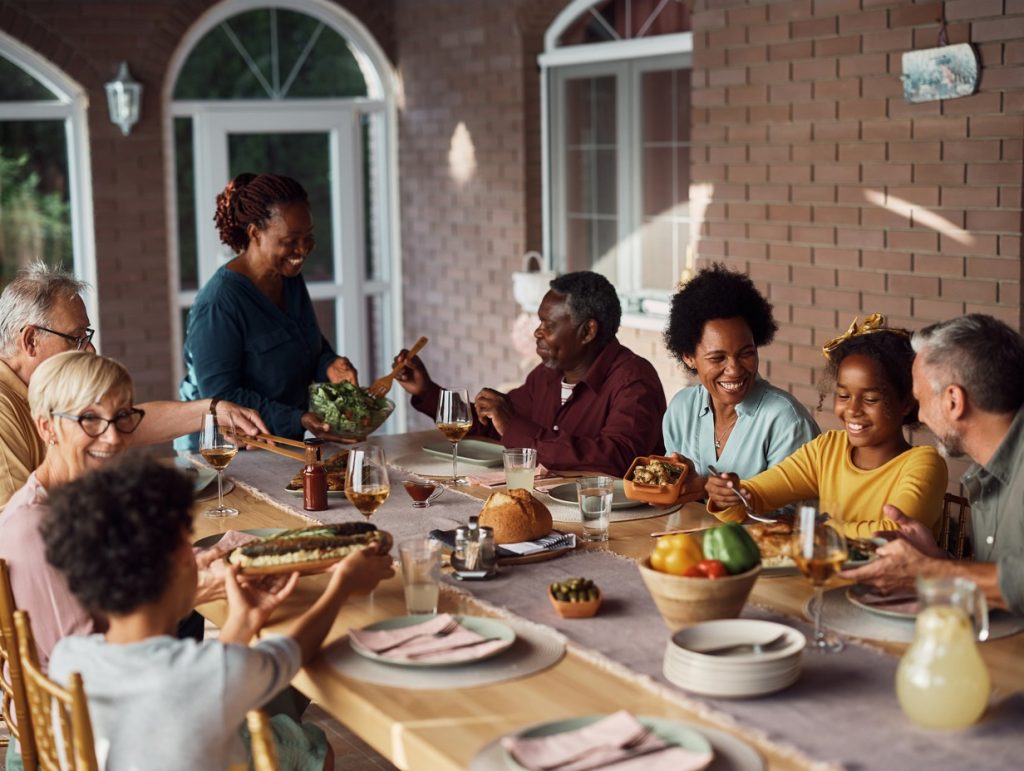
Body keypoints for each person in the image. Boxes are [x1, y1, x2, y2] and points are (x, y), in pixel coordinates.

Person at [44, 455, 393, 771]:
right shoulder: (214, 672)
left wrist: (242, 622)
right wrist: (342, 584)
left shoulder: (68, 657)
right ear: (181, 560)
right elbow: (292, 652)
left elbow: (194, 686)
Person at [0, 261, 266, 507]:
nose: (90, 350)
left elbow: (123, 425)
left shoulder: (36, 391)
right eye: (75, 338)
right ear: (31, 340)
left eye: (86, 336)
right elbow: (14, 527)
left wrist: (212, 411)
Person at [394, 271, 666, 476]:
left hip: (615, 523)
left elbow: (619, 459)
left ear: (587, 331)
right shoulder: (546, 376)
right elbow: (492, 428)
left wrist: (516, 429)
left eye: (547, 324)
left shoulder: (633, 381)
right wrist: (427, 392)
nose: (537, 332)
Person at [841, 314, 1024, 615]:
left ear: (953, 401)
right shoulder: (986, 470)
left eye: (920, 399)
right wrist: (937, 560)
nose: (921, 417)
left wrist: (932, 572)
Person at [707, 315, 948, 539]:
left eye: (871, 399)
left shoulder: (924, 464)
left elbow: (898, 533)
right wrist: (729, 496)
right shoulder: (827, 449)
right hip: (828, 580)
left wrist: (811, 529)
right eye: (843, 396)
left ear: (906, 403)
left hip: (894, 584)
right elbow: (755, 496)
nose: (852, 410)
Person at [177, 173, 358, 446]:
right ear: (255, 233)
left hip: (281, 444)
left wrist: (329, 365)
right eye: (290, 240)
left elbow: (305, 343)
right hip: (223, 455)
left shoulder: (288, 276)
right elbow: (222, 398)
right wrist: (297, 418)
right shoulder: (219, 303)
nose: (303, 249)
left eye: (308, 236)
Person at [661, 264, 819, 500]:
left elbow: (796, 516)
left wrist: (710, 489)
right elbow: (671, 494)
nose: (734, 370)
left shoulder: (785, 420)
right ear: (689, 357)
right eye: (718, 358)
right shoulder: (681, 409)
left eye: (746, 353)